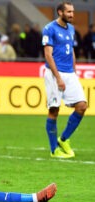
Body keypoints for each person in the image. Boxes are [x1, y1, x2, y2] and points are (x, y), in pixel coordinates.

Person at [42, 1, 87, 158]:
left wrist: (74, 70)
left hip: (69, 73)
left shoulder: (71, 29)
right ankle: (54, 150)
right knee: (54, 110)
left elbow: (71, 49)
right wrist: (58, 77)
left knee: (82, 106)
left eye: (72, 12)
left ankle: (64, 139)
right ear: (60, 12)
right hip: (55, 73)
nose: (72, 15)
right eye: (68, 12)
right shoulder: (49, 29)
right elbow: (48, 54)